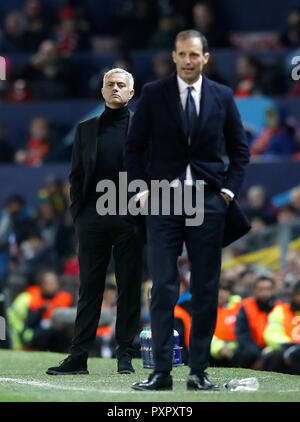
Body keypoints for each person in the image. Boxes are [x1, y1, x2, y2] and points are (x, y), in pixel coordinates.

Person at [125, 29, 250, 391]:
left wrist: (227, 193)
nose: (188, 60)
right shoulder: (153, 93)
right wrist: (142, 190)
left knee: (206, 288)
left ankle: (198, 372)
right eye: (182, 54)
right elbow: (134, 148)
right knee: (163, 287)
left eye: (195, 54)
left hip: (210, 202)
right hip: (162, 200)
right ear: (175, 56)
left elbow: (240, 151)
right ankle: (161, 371)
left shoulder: (223, 96)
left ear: (205, 57)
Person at [46, 68, 143, 376]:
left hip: (130, 216)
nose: (115, 88)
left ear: (130, 92)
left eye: (121, 85)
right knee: (89, 288)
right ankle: (79, 357)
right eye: (110, 84)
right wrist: (79, 214)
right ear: (102, 92)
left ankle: (125, 355)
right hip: (93, 217)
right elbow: (76, 176)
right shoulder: (85, 130)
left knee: (129, 286)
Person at [7, 270, 73, 352]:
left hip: (57, 334)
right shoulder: (32, 298)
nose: (52, 285)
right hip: (34, 334)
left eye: (54, 282)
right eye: (49, 283)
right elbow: (29, 323)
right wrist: (41, 310)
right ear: (42, 285)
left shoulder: (65, 298)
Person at [234, 276, 281, 370]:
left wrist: (267, 353)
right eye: (261, 289)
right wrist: (260, 355)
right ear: (254, 290)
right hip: (252, 349)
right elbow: (242, 334)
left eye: (268, 289)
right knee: (242, 354)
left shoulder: (281, 307)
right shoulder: (246, 306)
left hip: (272, 348)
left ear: (273, 290)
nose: (265, 293)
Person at [264, 280, 300, 375]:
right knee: (275, 355)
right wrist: (290, 347)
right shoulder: (281, 310)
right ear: (293, 294)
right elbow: (272, 333)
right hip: (285, 348)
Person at [210, 280, 241, 367]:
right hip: (213, 351)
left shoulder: (240, 307)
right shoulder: (205, 310)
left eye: (225, 289)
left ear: (230, 292)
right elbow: (203, 333)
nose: (221, 293)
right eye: (218, 289)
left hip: (237, 349)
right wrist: (219, 348)